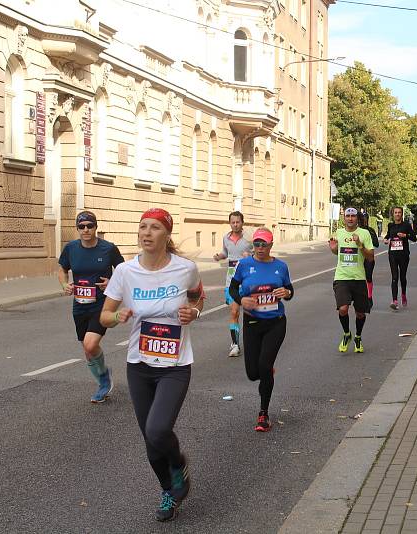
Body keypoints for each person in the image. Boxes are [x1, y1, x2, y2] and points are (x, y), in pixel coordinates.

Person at [101, 208, 204, 522]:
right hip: (140, 364)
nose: (146, 233)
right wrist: (117, 317)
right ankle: (168, 492)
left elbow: (198, 298)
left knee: (159, 430)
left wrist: (194, 313)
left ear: (167, 234)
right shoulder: (125, 272)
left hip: (175, 364)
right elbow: (105, 315)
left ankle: (178, 464)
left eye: (155, 227)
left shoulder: (185, 269)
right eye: (142, 227)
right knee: (150, 437)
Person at [229, 228, 293, 432]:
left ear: (271, 245)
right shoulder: (245, 264)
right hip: (252, 323)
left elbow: (290, 291)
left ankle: (263, 414)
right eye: (257, 244)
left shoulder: (280, 266)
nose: (260, 248)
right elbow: (233, 288)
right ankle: (266, 372)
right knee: (252, 373)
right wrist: (241, 300)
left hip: (275, 322)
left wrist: (287, 292)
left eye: (264, 244)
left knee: (264, 366)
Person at [58, 211, 124, 403]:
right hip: (80, 305)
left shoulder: (108, 249)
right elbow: (62, 269)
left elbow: (123, 272)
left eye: (89, 226)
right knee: (88, 350)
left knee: (90, 344)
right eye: (81, 227)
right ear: (77, 229)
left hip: (102, 305)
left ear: (96, 227)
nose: (86, 230)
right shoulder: (71, 248)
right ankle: (103, 374)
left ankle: (103, 383)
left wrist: (111, 282)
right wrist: (64, 284)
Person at [329, 207, 374, 353]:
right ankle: (347, 333)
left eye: (353, 216)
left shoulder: (364, 233)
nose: (350, 218)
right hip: (341, 277)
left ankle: (358, 337)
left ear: (357, 218)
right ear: (344, 218)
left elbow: (370, 257)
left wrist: (360, 245)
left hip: (359, 278)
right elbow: (338, 252)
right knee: (343, 309)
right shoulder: (339, 233)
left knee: (360, 313)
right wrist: (334, 249)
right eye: (347, 216)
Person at [212, 211, 252, 358]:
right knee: (234, 312)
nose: (235, 224)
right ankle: (235, 344)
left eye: (238, 222)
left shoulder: (249, 239)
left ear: (242, 222)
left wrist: (251, 256)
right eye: (233, 222)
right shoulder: (226, 238)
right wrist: (219, 256)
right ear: (230, 223)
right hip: (231, 279)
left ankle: (253, 340)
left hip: (247, 279)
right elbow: (225, 252)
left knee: (250, 313)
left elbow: (260, 254)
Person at [384, 206, 417, 310]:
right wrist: (385, 240)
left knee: (402, 277)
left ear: (402, 214)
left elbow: (414, 238)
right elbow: (388, 236)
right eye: (395, 212)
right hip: (393, 254)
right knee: (394, 277)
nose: (397, 214)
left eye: (399, 212)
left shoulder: (406, 225)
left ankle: (403, 294)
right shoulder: (391, 225)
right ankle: (394, 301)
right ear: (393, 214)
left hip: (404, 255)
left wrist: (405, 235)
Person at [358, 212, 380, 309]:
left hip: (368, 258)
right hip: (358, 258)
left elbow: (376, 244)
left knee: (368, 277)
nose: (363, 220)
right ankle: (361, 298)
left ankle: (369, 297)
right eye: (362, 219)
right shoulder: (355, 230)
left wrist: (368, 239)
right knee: (358, 278)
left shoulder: (370, 230)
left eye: (365, 218)